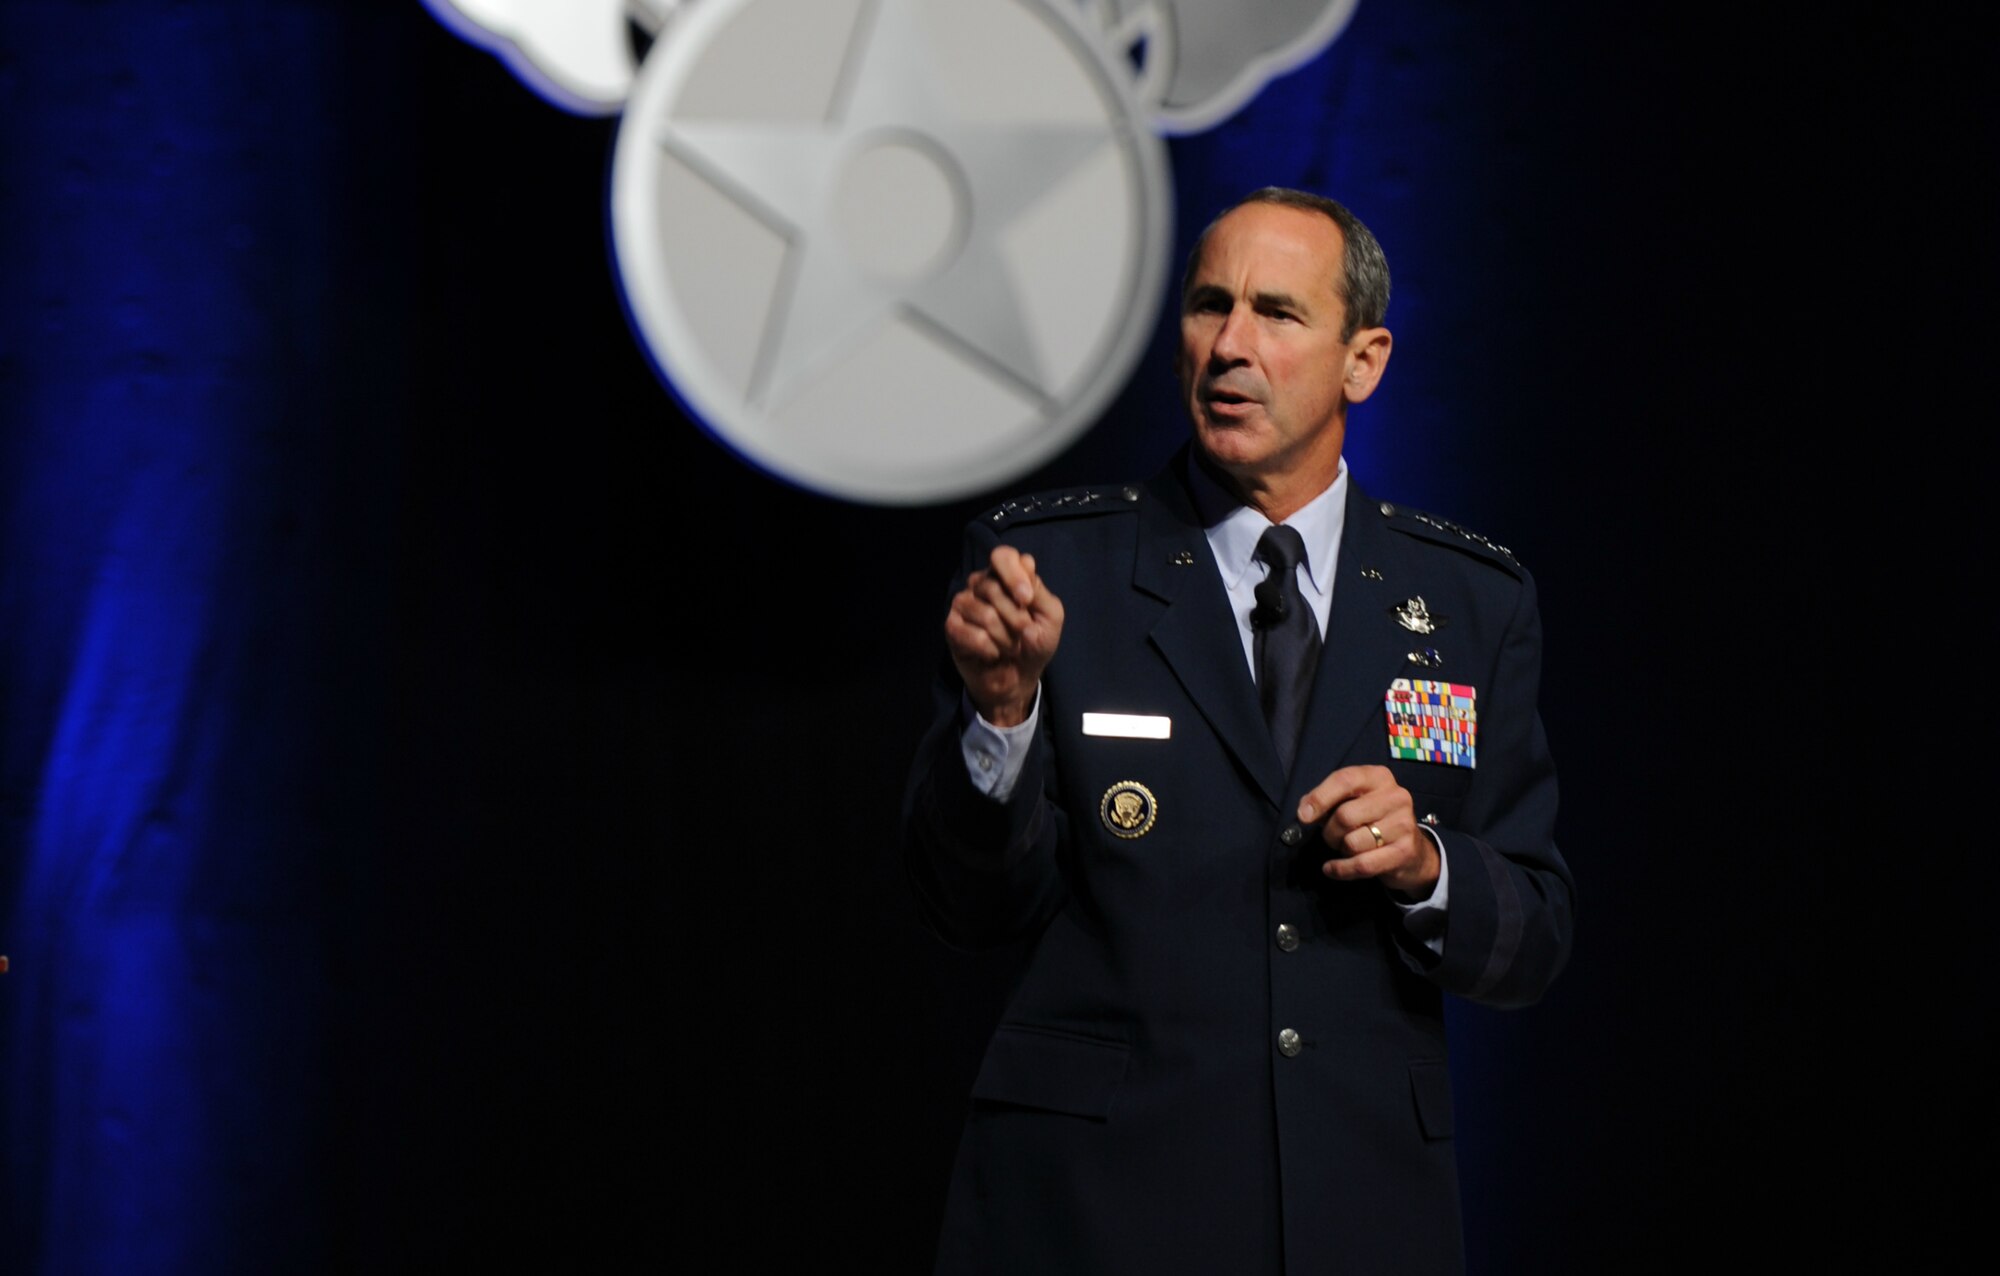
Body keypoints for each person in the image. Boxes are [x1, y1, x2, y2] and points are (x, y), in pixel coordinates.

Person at [904, 188, 1574, 1276]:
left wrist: (1425, 866)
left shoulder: (1466, 601)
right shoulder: (1050, 574)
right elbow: (966, 905)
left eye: (1274, 312)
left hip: (1357, 1214)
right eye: (1207, 305)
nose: (1227, 345)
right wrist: (1002, 717)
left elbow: (1532, 937)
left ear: (1362, 362)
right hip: (1093, 1214)